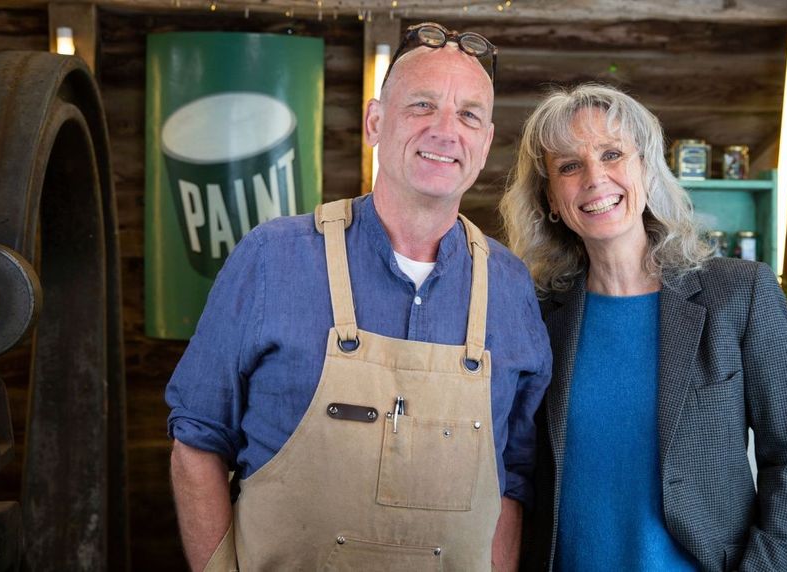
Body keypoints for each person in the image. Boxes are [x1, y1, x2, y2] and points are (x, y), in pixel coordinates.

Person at [166, 22, 552, 572]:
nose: (446, 130)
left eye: (469, 114)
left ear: (485, 142)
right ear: (375, 122)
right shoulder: (273, 258)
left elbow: (511, 478)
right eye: (422, 105)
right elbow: (197, 440)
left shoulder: (512, 288)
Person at [499, 83, 787, 571]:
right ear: (550, 199)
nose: (595, 177)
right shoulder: (536, 316)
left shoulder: (738, 295)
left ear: (648, 171)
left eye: (613, 154)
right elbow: (514, 470)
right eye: (569, 166)